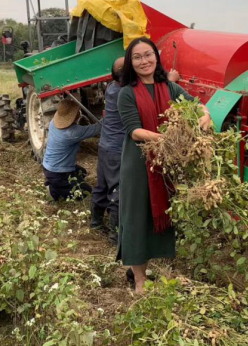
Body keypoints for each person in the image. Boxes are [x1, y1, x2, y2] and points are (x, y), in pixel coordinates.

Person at [117, 38, 212, 293]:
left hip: (163, 164)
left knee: (160, 213)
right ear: (130, 63)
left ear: (156, 58)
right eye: (137, 57)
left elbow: (194, 103)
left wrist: (205, 114)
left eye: (148, 55)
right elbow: (135, 131)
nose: (144, 61)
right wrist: (169, 139)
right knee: (137, 218)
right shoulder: (126, 93)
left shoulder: (169, 87)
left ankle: (150, 269)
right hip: (138, 165)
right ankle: (139, 280)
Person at [90, 57, 125, 242]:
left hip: (105, 146)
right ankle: (115, 234)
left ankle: (95, 221)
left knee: (102, 185)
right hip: (117, 150)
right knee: (117, 190)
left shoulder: (112, 87)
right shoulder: (125, 93)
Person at [42, 99, 102, 201]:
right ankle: (54, 190)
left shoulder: (53, 123)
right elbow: (97, 128)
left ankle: (57, 184)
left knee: (81, 173)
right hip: (58, 173)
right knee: (85, 193)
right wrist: (111, 116)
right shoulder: (72, 133)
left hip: (48, 167)